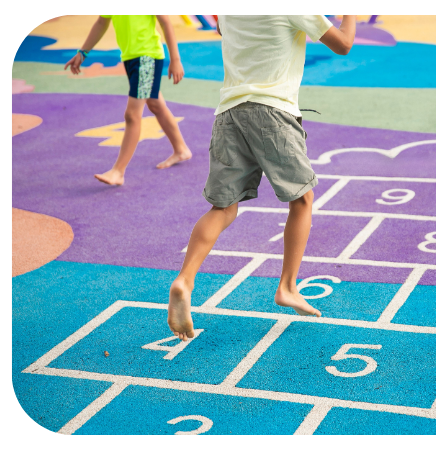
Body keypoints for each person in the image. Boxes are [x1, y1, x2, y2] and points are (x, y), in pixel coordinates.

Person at [168, 15, 356, 341]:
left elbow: (223, 28)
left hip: (229, 112)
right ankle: (287, 286)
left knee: (223, 207)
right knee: (302, 199)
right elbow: (343, 44)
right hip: (273, 111)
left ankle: (185, 279)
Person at [64, 15, 192, 186]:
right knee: (154, 104)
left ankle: (118, 171)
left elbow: (165, 21)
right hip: (130, 57)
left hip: (147, 57)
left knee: (132, 115)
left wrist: (175, 60)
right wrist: (83, 52)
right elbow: (102, 21)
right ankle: (181, 149)